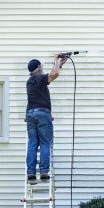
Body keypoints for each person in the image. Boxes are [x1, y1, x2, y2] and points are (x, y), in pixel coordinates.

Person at [25, 55, 67, 184]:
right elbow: (54, 74)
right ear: (38, 68)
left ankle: (31, 173)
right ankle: (43, 172)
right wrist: (57, 61)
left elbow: (54, 73)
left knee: (32, 143)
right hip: (42, 114)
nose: (43, 68)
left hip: (31, 114)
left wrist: (60, 64)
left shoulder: (30, 81)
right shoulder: (39, 78)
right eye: (41, 66)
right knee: (44, 143)